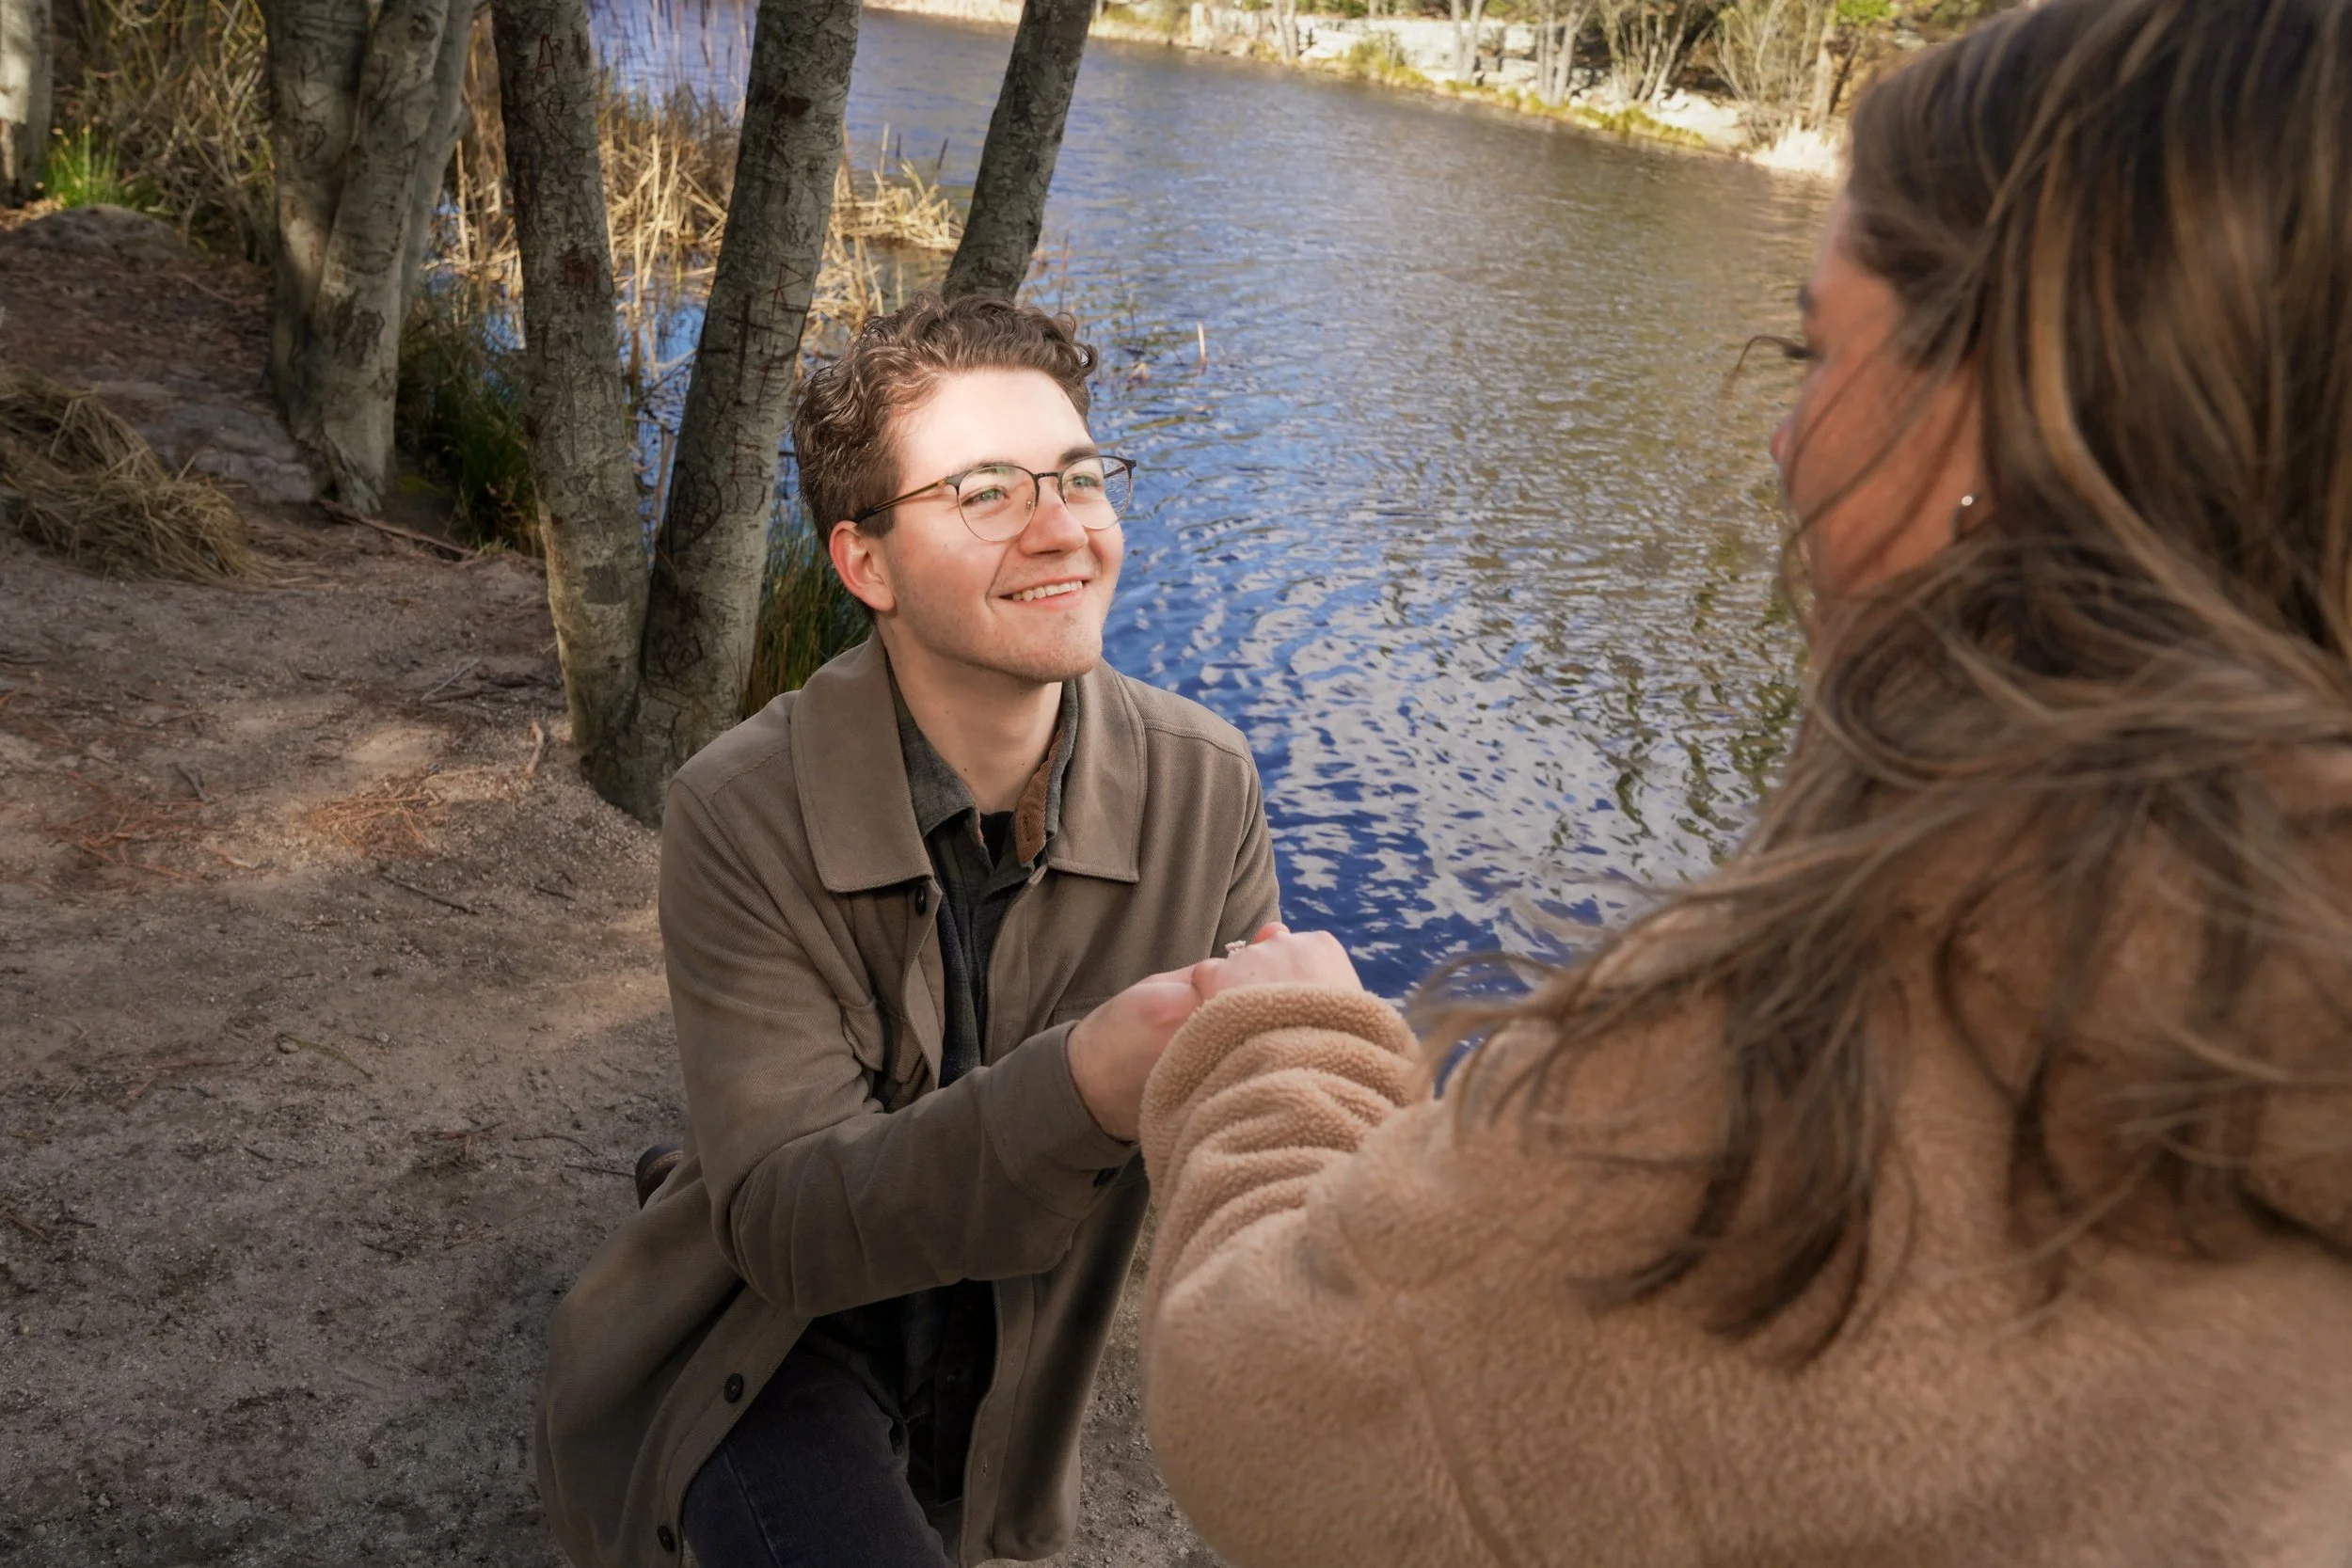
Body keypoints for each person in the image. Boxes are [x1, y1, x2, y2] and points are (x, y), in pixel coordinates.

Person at [1134, 2, 2352, 1563]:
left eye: (1816, 348)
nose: (1779, 441)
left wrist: (1281, 1050)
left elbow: (1270, 1411)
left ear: (2003, 409)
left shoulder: (1763, 1106)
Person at [535, 293, 1280, 1568]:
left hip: (1003, 1370)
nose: (1065, 527)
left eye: (1082, 476)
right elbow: (789, 1231)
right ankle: (671, 1212)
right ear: (864, 563)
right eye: (985, 491)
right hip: (780, 1347)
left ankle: (679, 1166)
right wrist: (1090, 1084)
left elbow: (1255, 1157)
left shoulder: (1208, 787)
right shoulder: (736, 807)